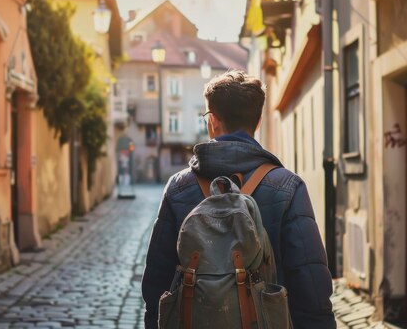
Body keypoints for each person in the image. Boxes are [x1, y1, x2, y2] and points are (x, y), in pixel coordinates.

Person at [141, 70, 336, 328]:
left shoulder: (179, 188)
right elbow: (311, 286)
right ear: (257, 122)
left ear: (212, 121)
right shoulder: (288, 186)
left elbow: (157, 285)